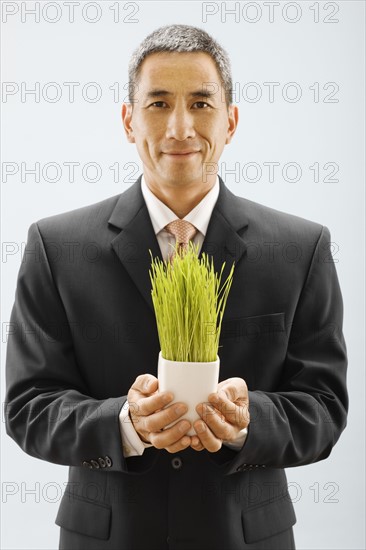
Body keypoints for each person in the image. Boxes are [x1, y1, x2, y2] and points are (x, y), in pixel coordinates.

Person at [4, 24, 348, 550]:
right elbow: (28, 406)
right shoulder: (55, 245)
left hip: (245, 537)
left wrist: (249, 422)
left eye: (202, 103)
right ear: (128, 120)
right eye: (159, 103)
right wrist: (122, 423)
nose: (181, 128)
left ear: (231, 121)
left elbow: (324, 407)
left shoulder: (301, 248)